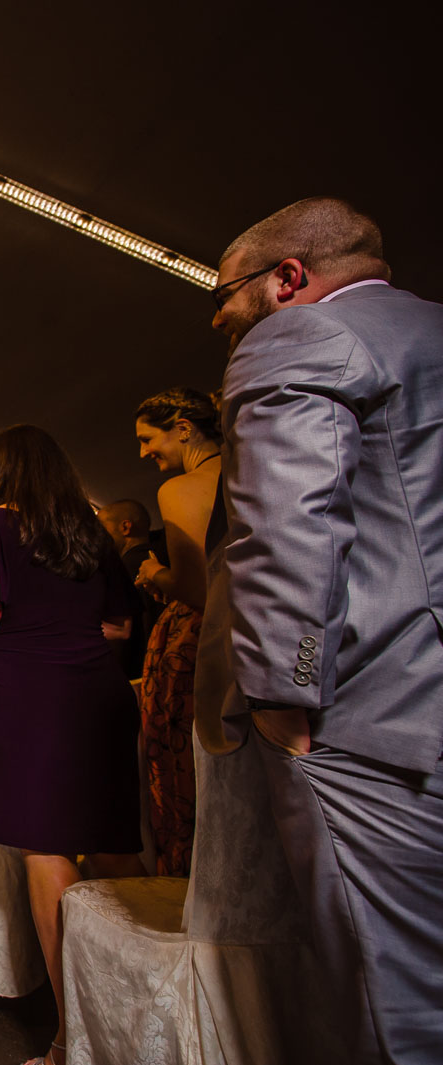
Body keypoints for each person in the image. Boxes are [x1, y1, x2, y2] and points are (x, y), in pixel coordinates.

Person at [209, 197, 443, 1063]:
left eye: (225, 296)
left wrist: (283, 694)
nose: (219, 319)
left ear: (287, 278)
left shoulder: (298, 337)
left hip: (377, 726)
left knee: (392, 999)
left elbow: (287, 527)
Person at [0, 425, 144, 1065]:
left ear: (9, 472)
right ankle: (146, 1023)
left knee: (48, 850)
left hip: (27, 689)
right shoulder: (91, 529)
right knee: (117, 847)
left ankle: (73, 1040)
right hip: (99, 686)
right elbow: (119, 624)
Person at [127, 390, 222, 877]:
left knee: (183, 768)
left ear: (183, 430)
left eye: (148, 439)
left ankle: (188, 879)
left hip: (197, 641)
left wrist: (154, 573)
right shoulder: (246, 469)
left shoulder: (182, 489)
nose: (144, 452)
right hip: (250, 634)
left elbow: (195, 586)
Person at [96, 498, 166, 681]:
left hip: (135, 673)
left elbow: (123, 630)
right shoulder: (164, 563)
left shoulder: (119, 571)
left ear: (125, 527)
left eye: (100, 526)